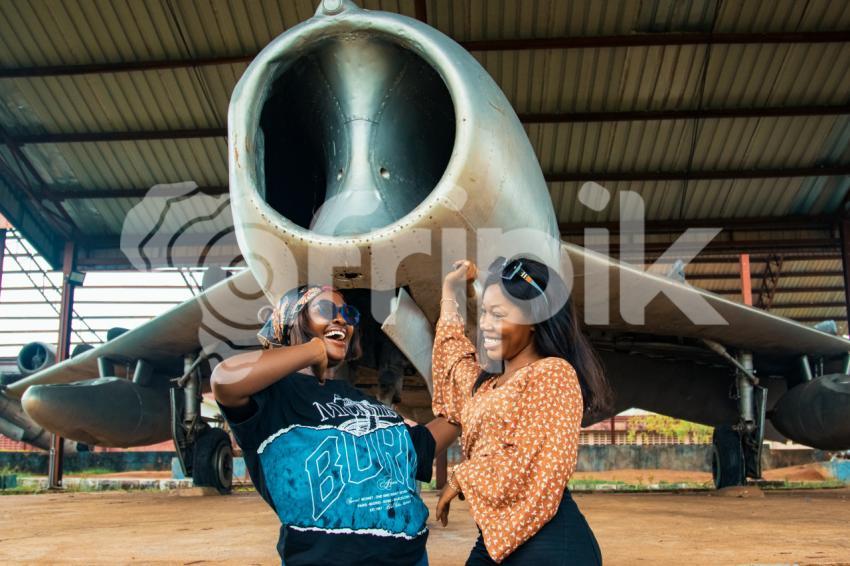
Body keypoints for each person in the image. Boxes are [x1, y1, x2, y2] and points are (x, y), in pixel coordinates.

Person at [211, 284, 458, 566]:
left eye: (348, 314)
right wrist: (312, 350)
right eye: (326, 310)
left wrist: (475, 402)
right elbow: (224, 380)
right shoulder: (275, 396)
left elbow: (416, 447)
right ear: (292, 319)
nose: (341, 319)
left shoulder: (360, 399)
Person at [432, 257, 612, 565]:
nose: (486, 324)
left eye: (498, 314)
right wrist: (450, 290)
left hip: (551, 546)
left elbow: (528, 459)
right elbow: (453, 357)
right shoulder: (487, 386)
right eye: (485, 312)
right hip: (498, 539)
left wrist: (461, 476)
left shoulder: (553, 375)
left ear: (534, 319)